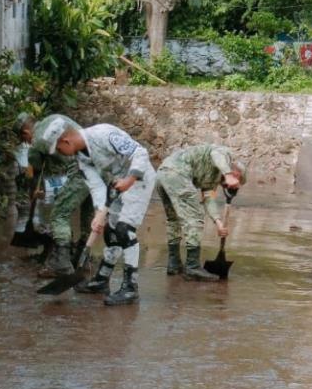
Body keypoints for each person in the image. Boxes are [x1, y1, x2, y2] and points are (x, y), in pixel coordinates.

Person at [33, 116, 155, 306]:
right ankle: (102, 279)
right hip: (115, 184)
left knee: (124, 230)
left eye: (58, 149)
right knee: (110, 231)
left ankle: (130, 287)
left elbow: (140, 153)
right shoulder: (81, 158)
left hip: (139, 179)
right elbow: (96, 186)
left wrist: (130, 179)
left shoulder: (103, 134)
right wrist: (100, 213)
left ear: (66, 140)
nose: (61, 153)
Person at [156, 144, 245, 280]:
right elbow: (216, 154)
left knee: (173, 219)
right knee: (195, 217)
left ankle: (174, 264)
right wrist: (228, 175)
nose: (227, 186)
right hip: (177, 173)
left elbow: (208, 198)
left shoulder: (214, 179)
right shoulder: (225, 155)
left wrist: (218, 223)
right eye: (235, 181)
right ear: (236, 172)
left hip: (163, 175)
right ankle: (193, 267)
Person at [29, 115, 93, 278]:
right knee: (89, 215)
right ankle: (83, 258)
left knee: (59, 214)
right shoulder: (56, 118)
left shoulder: (39, 139)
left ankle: (62, 263)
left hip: (78, 171)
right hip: (98, 166)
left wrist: (36, 189)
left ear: (26, 131)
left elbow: (37, 166)